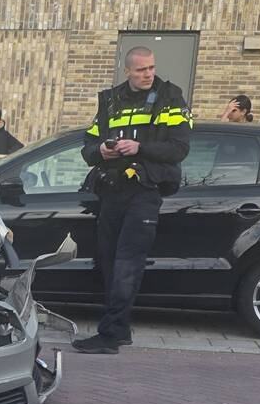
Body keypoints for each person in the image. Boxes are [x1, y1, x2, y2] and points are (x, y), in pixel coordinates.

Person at [72, 47, 192, 355]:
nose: (148, 74)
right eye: (141, 70)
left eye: (151, 68)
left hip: (145, 190)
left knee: (127, 263)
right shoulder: (110, 100)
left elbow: (179, 148)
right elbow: (88, 144)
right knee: (109, 261)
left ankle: (110, 335)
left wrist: (139, 147)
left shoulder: (170, 97)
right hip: (113, 190)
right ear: (127, 71)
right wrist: (102, 151)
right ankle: (120, 329)